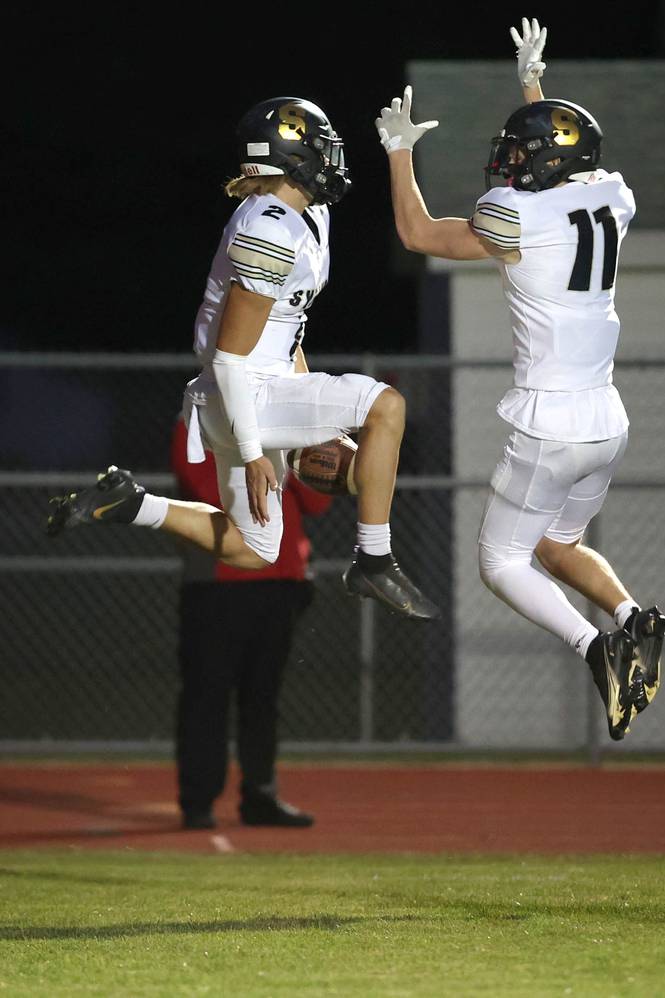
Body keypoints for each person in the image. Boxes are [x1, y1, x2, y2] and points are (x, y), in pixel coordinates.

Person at [374, 19, 665, 740]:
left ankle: (597, 647)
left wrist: (400, 151)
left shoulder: (517, 216)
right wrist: (534, 88)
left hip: (550, 422)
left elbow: (417, 232)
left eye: (518, 154)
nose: (507, 165)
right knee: (556, 546)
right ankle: (634, 617)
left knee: (500, 561)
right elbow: (568, 157)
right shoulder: (614, 197)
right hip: (606, 421)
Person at [46, 96, 438, 622]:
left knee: (255, 549)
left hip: (255, 388)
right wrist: (254, 451)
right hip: (240, 395)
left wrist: (304, 409)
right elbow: (231, 357)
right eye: (321, 150)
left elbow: (285, 332)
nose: (331, 161)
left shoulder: (306, 214)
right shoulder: (268, 228)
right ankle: (373, 558)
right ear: (289, 156)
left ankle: (132, 504)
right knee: (385, 406)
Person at [171, 418, 330, 830]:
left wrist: (289, 457)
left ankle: (261, 794)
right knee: (207, 695)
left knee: (263, 699)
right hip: (218, 583)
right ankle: (198, 801)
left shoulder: (289, 417)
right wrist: (265, 463)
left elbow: (319, 499)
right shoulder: (200, 412)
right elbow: (205, 488)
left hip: (279, 581)